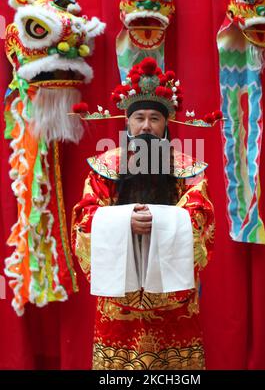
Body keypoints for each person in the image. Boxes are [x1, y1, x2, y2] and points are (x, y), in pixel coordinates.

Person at [71, 58, 215, 370]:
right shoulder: (104, 166)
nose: (146, 126)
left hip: (173, 298)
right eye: (139, 118)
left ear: (166, 124)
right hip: (119, 295)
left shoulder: (188, 168)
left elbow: (199, 214)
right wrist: (124, 222)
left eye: (154, 118)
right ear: (127, 122)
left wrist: (157, 223)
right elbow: (86, 214)